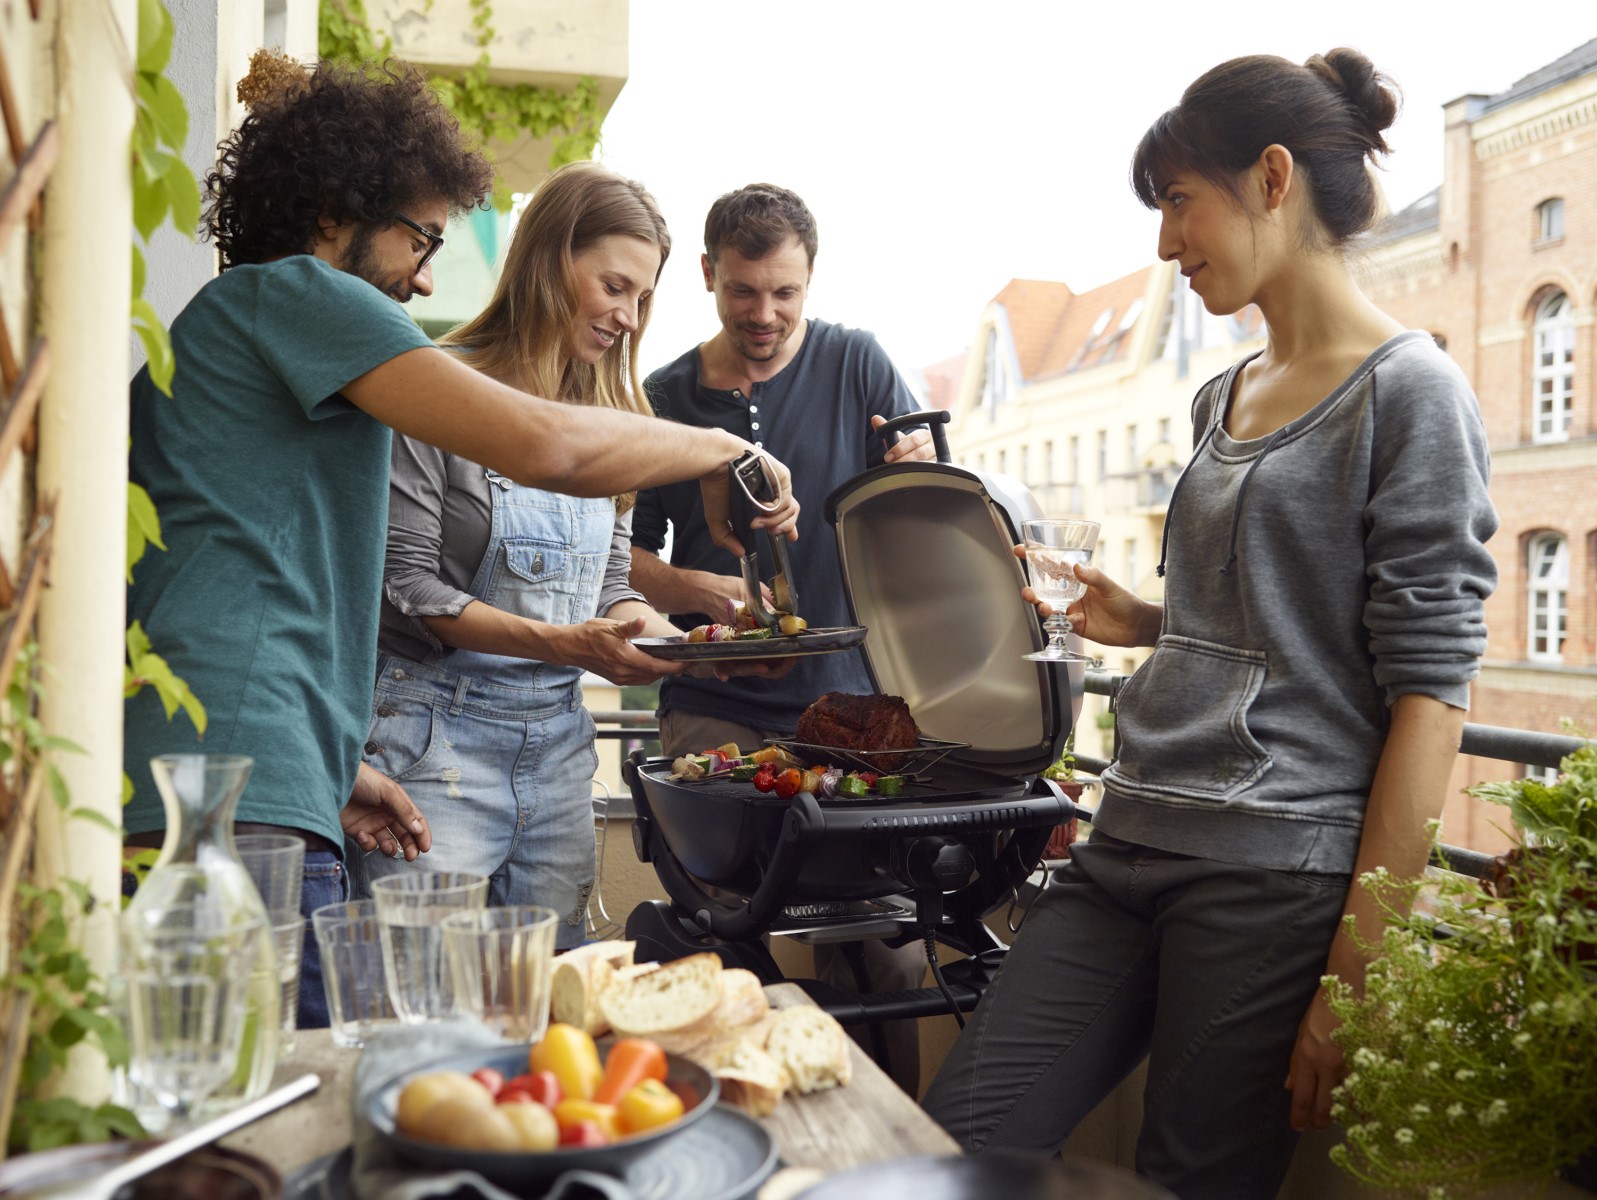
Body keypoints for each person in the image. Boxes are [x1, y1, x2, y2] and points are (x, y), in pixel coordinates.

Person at [921, 49, 1498, 1197]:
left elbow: (1431, 698)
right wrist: (1134, 617)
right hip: (1128, 836)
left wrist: (1356, 975)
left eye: (1178, 202)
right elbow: (1251, 614)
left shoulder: (1410, 393)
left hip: (1269, 876)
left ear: (1271, 178)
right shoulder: (1219, 393)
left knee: (1191, 1179)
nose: (1161, 243)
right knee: (954, 1136)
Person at [123, 59, 797, 1025]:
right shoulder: (301, 297)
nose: (427, 275)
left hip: (255, 771)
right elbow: (545, 444)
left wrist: (328, 763)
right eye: (422, 237)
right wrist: (724, 446)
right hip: (240, 790)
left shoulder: (245, 329)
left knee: (285, 1084)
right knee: (287, 1103)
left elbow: (238, 573)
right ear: (330, 212)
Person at [352, 161, 758, 949]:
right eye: (613, 287)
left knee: (546, 1009)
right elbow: (404, 587)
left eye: (642, 297)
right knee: (422, 1012)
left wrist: (685, 644)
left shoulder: (615, 419)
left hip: (561, 756)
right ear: (549, 260)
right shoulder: (436, 387)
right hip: (433, 751)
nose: (629, 318)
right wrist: (562, 645)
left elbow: (610, 588)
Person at [628, 183, 935, 1091]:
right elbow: (624, 557)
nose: (764, 315)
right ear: (707, 276)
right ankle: (736, 1127)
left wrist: (914, 472)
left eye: (784, 294)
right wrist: (694, 589)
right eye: (742, 292)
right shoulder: (663, 394)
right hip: (711, 711)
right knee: (728, 942)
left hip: (849, 706)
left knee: (889, 952)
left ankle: (886, 1161)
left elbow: (920, 507)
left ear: (809, 282)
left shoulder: (859, 362)